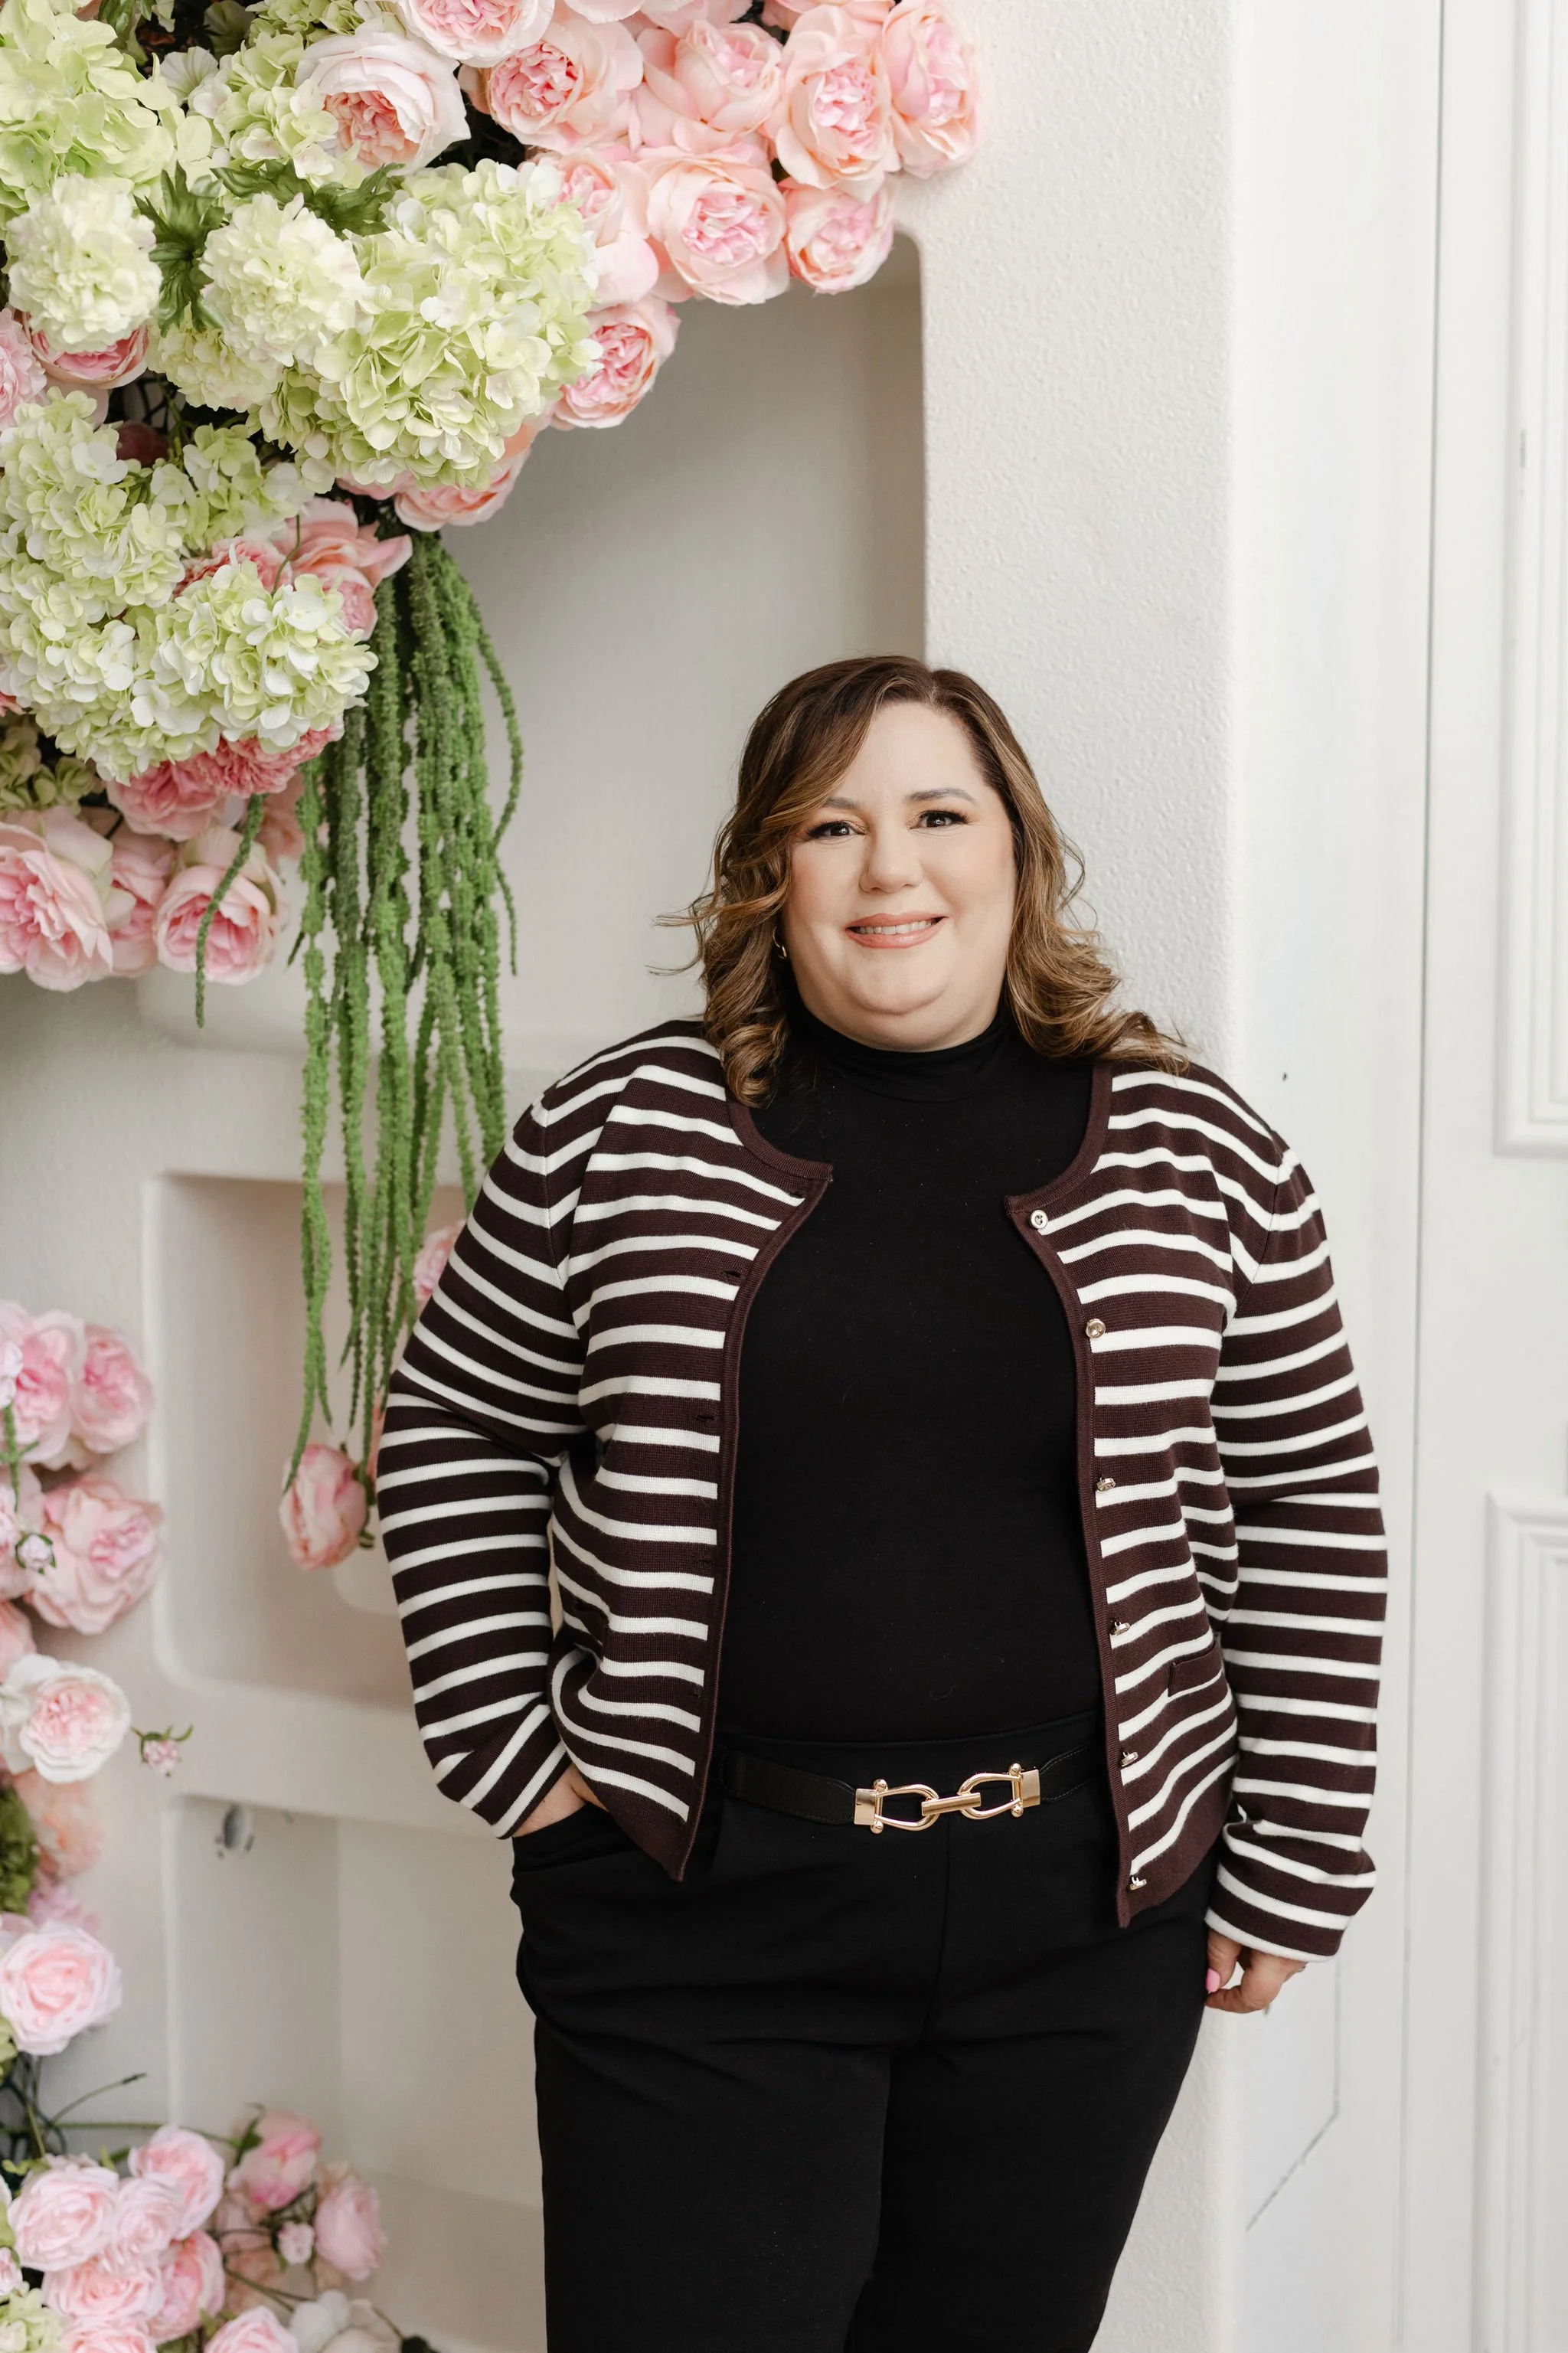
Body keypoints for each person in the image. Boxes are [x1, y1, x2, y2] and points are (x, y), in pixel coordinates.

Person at [377, 655, 1386, 2353]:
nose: (889, 868)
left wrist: (1296, 1855)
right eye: (830, 825)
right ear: (768, 871)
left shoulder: (1198, 1151)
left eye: (938, 815)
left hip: (1086, 1918)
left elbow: (1307, 1504)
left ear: (1019, 853)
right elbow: (457, 1426)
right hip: (693, 1911)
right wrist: (520, 1763)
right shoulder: (615, 1134)